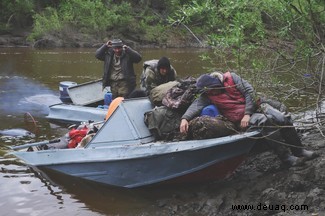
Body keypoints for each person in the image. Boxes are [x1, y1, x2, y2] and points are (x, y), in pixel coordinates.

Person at [180, 71, 317, 166]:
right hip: (239, 118)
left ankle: (299, 150)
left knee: (282, 118)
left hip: (255, 108)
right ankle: (286, 158)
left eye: (211, 90)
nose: (210, 93)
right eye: (208, 92)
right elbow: (195, 106)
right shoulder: (207, 95)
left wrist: (247, 113)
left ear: (215, 84)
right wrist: (185, 118)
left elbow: (249, 92)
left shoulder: (232, 78)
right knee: (265, 121)